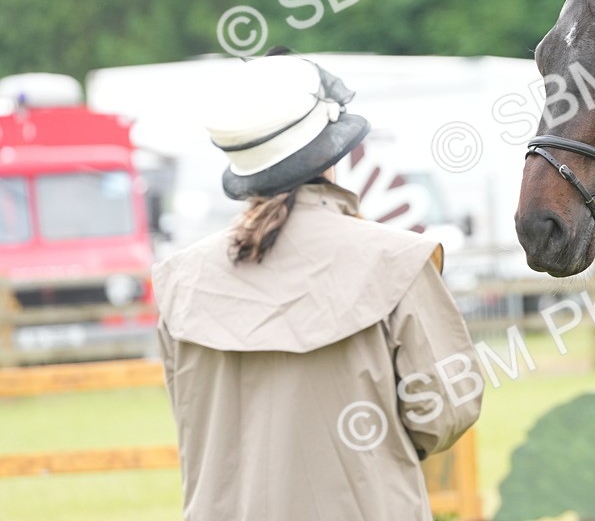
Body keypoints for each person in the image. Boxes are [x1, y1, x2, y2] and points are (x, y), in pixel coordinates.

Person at [152, 54, 482, 521]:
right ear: (331, 152)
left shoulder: (180, 280)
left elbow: (195, 417)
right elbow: (446, 410)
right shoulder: (397, 261)